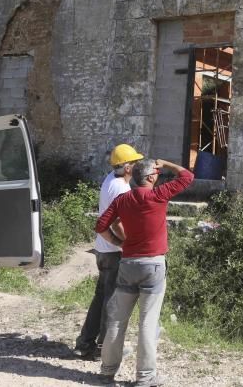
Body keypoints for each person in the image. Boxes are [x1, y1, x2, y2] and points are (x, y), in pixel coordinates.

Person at [94, 157, 193, 387]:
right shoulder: (158, 195)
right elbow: (187, 176)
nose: (158, 176)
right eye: (156, 174)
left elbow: (101, 226)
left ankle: (107, 372)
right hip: (154, 266)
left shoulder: (122, 199)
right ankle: (145, 377)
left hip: (128, 264)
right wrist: (166, 163)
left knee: (117, 321)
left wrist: (120, 243)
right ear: (150, 178)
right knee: (148, 323)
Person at [71, 143, 144, 360]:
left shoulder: (110, 179)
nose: (139, 165)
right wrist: (127, 243)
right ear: (128, 167)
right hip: (113, 252)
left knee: (101, 298)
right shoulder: (121, 188)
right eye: (136, 162)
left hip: (103, 251)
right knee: (112, 302)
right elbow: (115, 222)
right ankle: (104, 350)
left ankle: (85, 344)